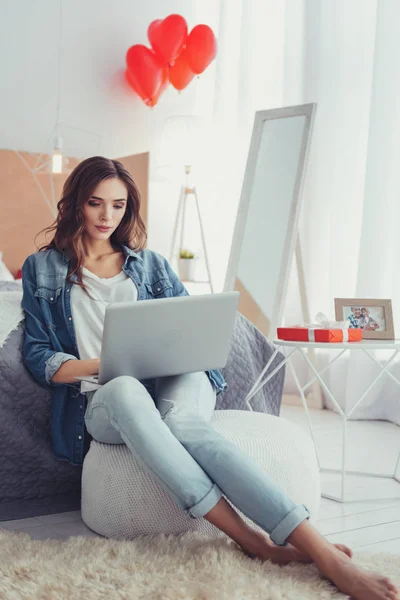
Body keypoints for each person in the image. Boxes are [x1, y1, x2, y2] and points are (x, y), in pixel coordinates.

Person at [21, 157, 398, 600]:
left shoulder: (152, 266)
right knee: (123, 387)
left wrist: (172, 351)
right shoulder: (41, 268)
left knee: (183, 423)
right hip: (105, 396)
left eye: (119, 205)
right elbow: (39, 355)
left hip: (174, 375)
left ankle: (320, 550)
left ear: (130, 208)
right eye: (95, 203)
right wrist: (105, 364)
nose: (107, 216)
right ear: (76, 204)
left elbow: (189, 326)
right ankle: (255, 542)